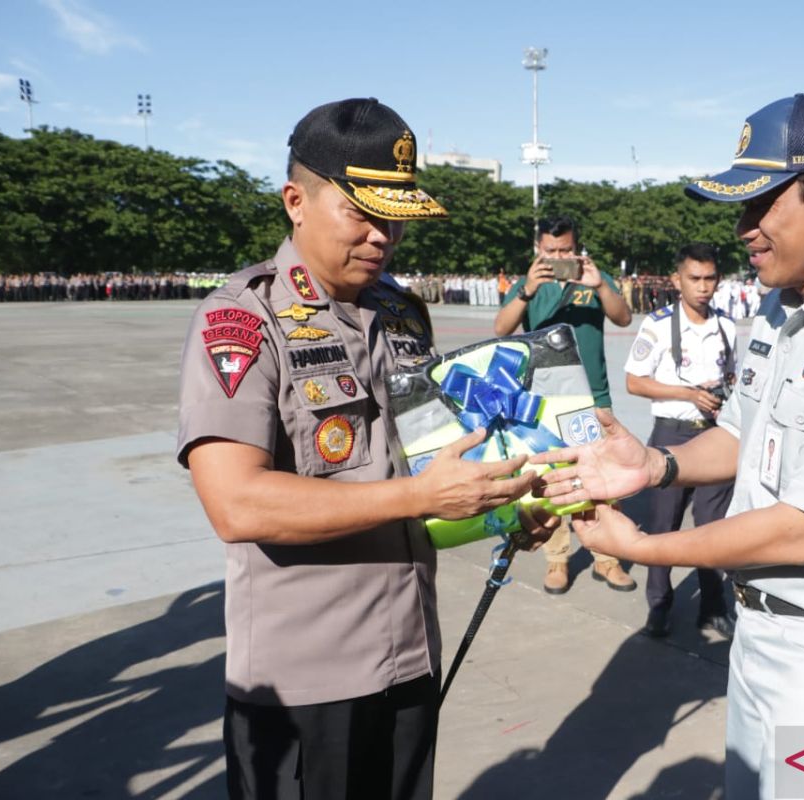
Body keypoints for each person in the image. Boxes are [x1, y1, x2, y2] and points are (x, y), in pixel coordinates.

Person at [532, 94, 804, 799]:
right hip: (760, 635)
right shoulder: (780, 306)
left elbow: (801, 531)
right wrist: (656, 466)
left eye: (760, 203)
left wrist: (640, 548)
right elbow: (739, 433)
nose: (744, 230)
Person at [176, 98, 554, 800]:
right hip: (304, 683)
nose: (384, 236)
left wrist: (503, 505)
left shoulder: (404, 315)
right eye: (363, 213)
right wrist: (420, 496)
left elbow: (429, 463)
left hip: (409, 659)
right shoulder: (243, 318)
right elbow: (235, 502)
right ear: (296, 201)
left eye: (397, 219)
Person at [494, 216, 636, 594]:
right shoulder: (530, 284)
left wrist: (600, 287)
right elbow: (501, 328)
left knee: (603, 481)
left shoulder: (594, 277)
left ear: (577, 247)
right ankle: (558, 560)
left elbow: (624, 317)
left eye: (565, 250)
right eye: (550, 250)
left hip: (593, 396)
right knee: (554, 480)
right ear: (538, 249)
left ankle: (607, 558)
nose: (558, 257)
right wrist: (526, 290)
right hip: (546, 399)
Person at [625, 243, 737, 639]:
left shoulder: (726, 325)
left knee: (713, 528)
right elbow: (634, 382)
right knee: (664, 526)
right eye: (694, 279)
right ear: (677, 280)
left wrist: (724, 396)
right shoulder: (657, 324)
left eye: (710, 279)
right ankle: (659, 605)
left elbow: (733, 377)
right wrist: (688, 394)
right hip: (671, 436)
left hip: (715, 436)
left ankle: (712, 606)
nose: (703, 287)